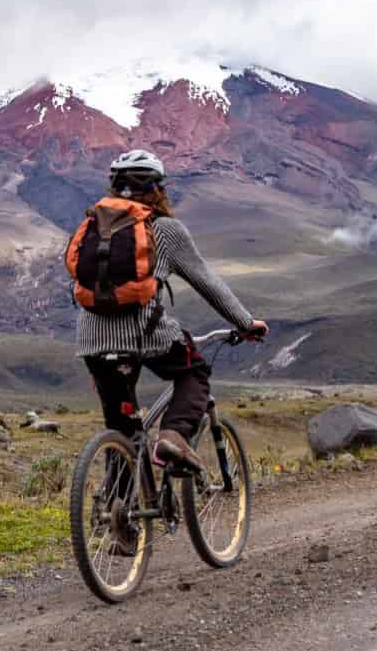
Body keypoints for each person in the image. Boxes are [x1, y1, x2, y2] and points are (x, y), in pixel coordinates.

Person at [74, 150, 268, 481]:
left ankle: (121, 521)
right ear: (158, 188)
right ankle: (173, 437)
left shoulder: (94, 225)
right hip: (143, 337)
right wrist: (246, 323)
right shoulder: (163, 229)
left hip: (92, 342)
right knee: (194, 370)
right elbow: (207, 282)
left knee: (123, 431)